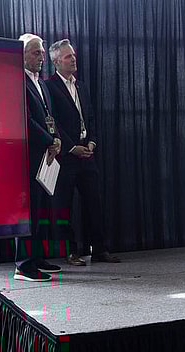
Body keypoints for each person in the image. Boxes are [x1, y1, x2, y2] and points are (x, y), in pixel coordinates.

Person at [44, 39, 120, 265]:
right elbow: (53, 122)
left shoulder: (81, 86)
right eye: (68, 57)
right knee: (64, 206)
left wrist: (92, 143)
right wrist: (70, 147)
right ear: (56, 61)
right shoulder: (49, 87)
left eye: (73, 55)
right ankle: (71, 251)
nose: (73, 59)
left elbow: (91, 118)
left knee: (94, 203)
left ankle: (99, 249)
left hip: (87, 154)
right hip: (66, 157)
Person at [14, 33, 63, 282]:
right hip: (29, 157)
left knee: (42, 211)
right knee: (28, 212)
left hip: (46, 155)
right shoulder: (16, 81)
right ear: (21, 55)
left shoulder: (41, 83)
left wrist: (55, 140)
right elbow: (25, 120)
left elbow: (47, 117)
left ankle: (36, 257)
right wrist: (48, 140)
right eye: (36, 52)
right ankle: (23, 265)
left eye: (42, 52)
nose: (42, 57)